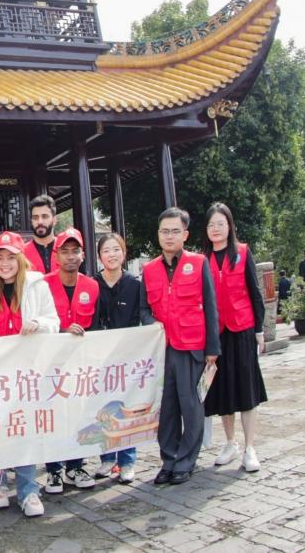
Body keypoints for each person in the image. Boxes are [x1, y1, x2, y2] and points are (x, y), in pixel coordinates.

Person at [0, 230, 57, 517]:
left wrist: (38, 323)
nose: (5, 263)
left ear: (21, 259)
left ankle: (28, 490)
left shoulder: (37, 285)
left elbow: (54, 321)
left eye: (11, 257)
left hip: (26, 372)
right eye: (0, 258)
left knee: (24, 429)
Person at [141, 207, 220, 486]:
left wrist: (213, 348)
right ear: (158, 234)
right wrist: (151, 322)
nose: (169, 236)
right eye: (165, 231)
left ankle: (186, 461)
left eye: (175, 231)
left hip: (192, 347)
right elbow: (143, 309)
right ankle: (169, 460)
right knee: (167, 410)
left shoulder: (199, 263)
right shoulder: (149, 269)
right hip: (163, 351)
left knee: (191, 407)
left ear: (185, 234)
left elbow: (211, 306)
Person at [202, 203, 267, 474]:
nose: (216, 229)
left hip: (242, 329)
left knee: (246, 389)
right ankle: (230, 443)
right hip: (217, 335)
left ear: (229, 226)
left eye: (221, 223)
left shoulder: (242, 252)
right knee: (224, 390)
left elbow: (254, 291)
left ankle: (250, 447)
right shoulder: (202, 260)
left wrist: (259, 330)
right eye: (211, 225)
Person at [42, 227, 99, 493]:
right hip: (50, 365)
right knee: (52, 416)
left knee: (79, 415)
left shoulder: (92, 286)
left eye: (75, 251)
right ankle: (53, 470)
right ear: (56, 256)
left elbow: (97, 326)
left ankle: (76, 466)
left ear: (83, 255)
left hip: (81, 365)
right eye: (64, 251)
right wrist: (62, 332)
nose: (70, 257)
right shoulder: (42, 285)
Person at [92, 232, 146, 483]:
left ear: (124, 254)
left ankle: (127, 461)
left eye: (116, 250)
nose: (111, 255)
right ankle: (107, 458)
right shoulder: (93, 284)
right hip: (100, 358)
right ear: (99, 256)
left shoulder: (135, 284)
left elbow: (142, 316)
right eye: (106, 250)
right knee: (103, 408)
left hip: (127, 357)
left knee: (126, 406)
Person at [24, 195, 59, 275]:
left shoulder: (64, 249)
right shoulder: (22, 253)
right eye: (35, 218)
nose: (40, 222)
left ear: (54, 220)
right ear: (31, 221)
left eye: (45, 216)